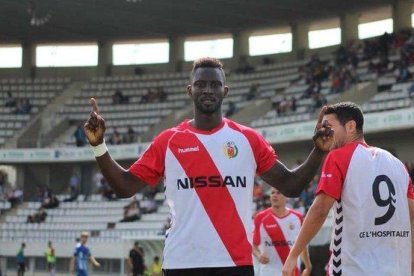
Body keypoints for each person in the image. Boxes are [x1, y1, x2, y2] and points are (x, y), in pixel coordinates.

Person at [84, 57, 333, 276]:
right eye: (201, 84)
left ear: (225, 91)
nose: (207, 90)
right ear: (190, 90)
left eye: (214, 84)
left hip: (235, 263)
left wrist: (319, 151)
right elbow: (125, 187)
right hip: (183, 262)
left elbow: (291, 185)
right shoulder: (168, 141)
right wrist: (99, 146)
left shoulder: (247, 139)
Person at [282, 102, 414, 276]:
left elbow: (320, 209)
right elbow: (412, 216)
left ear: (351, 126)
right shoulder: (397, 164)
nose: (324, 132)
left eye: (328, 127)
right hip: (397, 270)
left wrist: (293, 255)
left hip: (353, 268)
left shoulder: (338, 157)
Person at [253, 187, 311, 276]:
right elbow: (253, 245)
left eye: (278, 193)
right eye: (272, 193)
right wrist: (258, 255)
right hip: (268, 272)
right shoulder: (260, 218)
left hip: (292, 271)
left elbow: (302, 245)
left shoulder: (298, 217)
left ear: (286, 197)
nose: (275, 195)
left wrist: (307, 265)